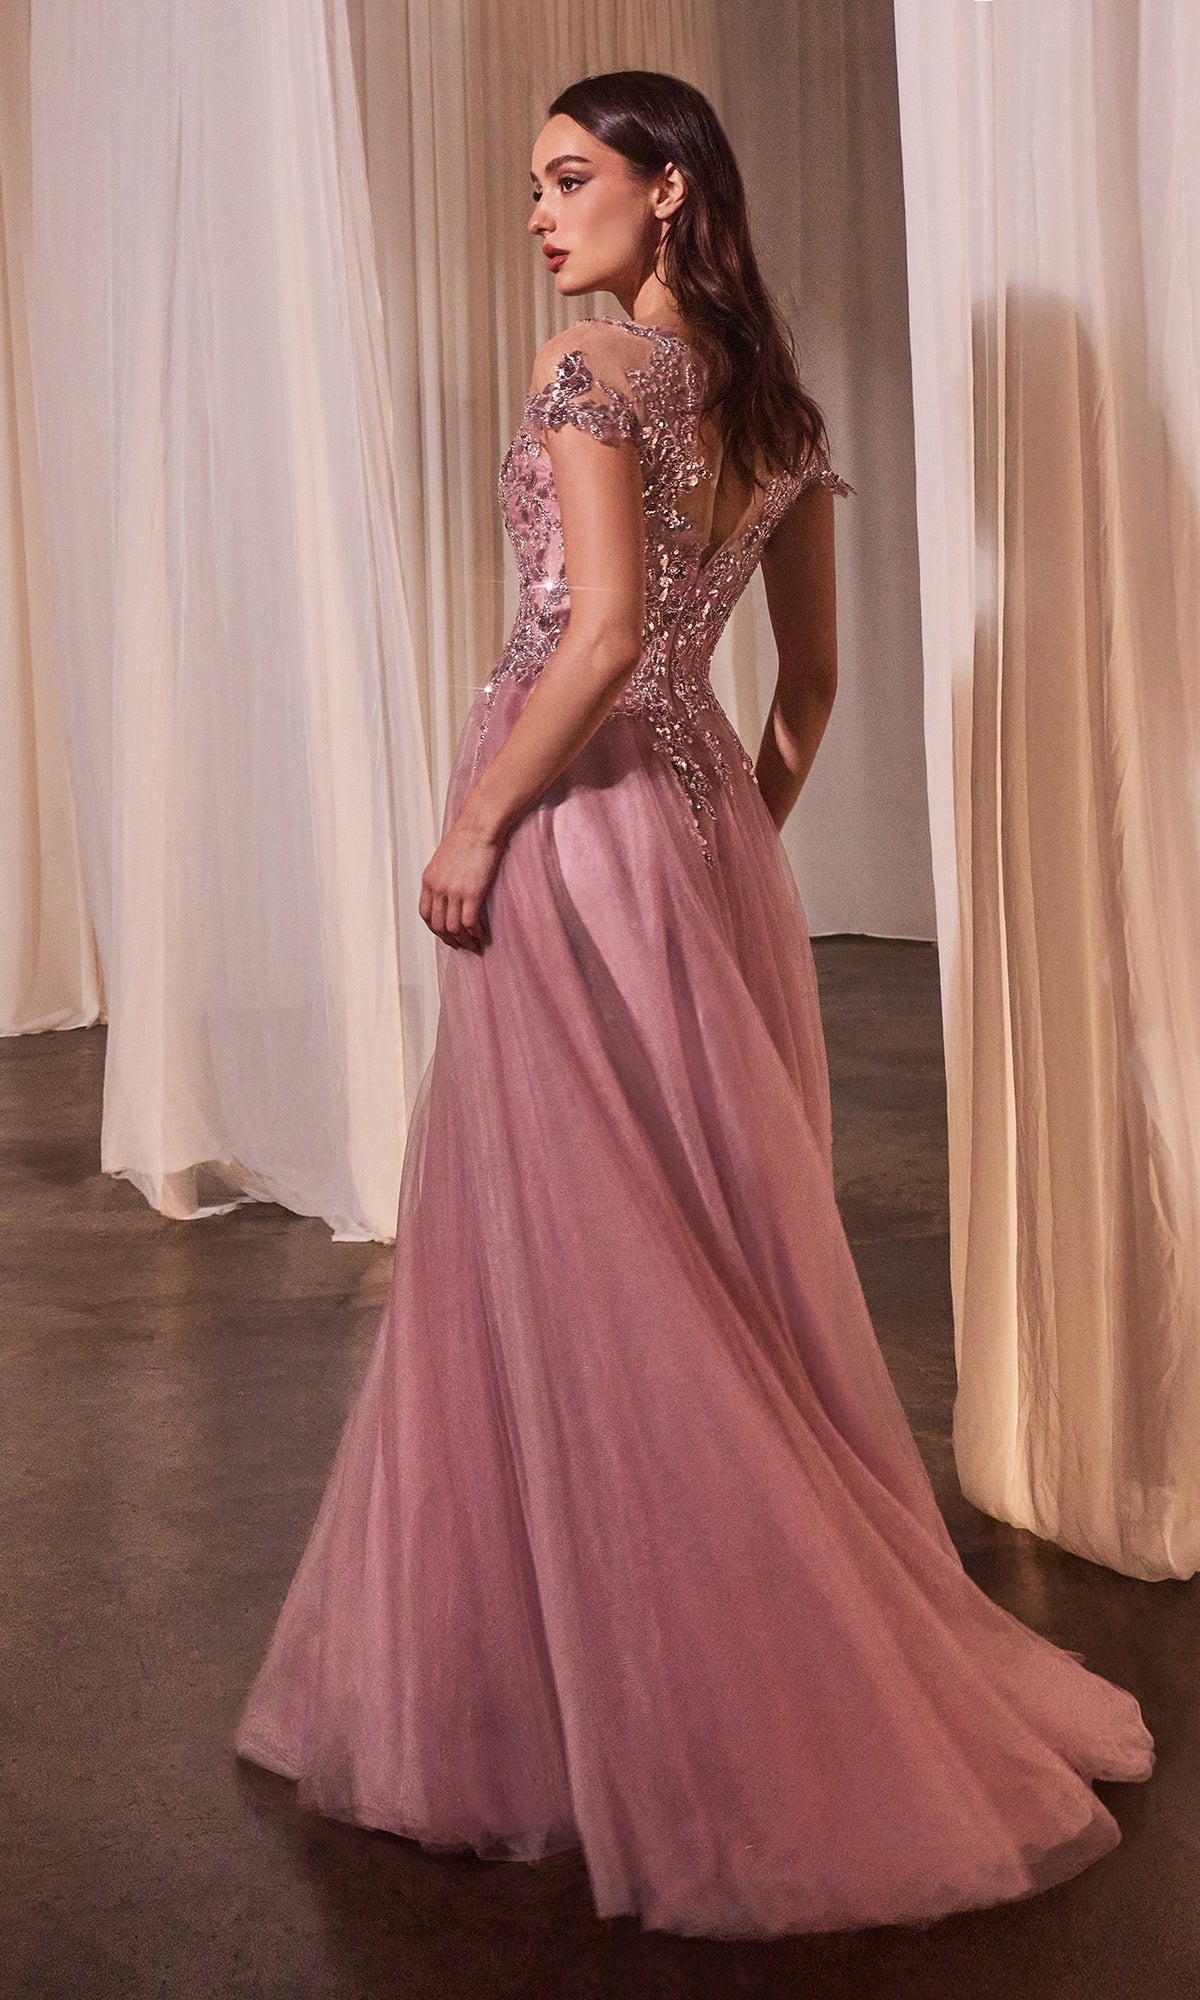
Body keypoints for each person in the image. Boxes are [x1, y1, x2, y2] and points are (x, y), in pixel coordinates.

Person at [235, 69, 1153, 1939]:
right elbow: (803, 685)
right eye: (531, 184)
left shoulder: (593, 373)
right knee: (708, 1256)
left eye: (571, 178)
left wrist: (479, 820)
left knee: (590, 1260)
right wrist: (719, 822)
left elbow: (586, 638)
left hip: (570, 830)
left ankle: (615, 1705)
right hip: (703, 829)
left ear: (669, 193)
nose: (539, 212)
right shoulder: (777, 409)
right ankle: (715, 1653)